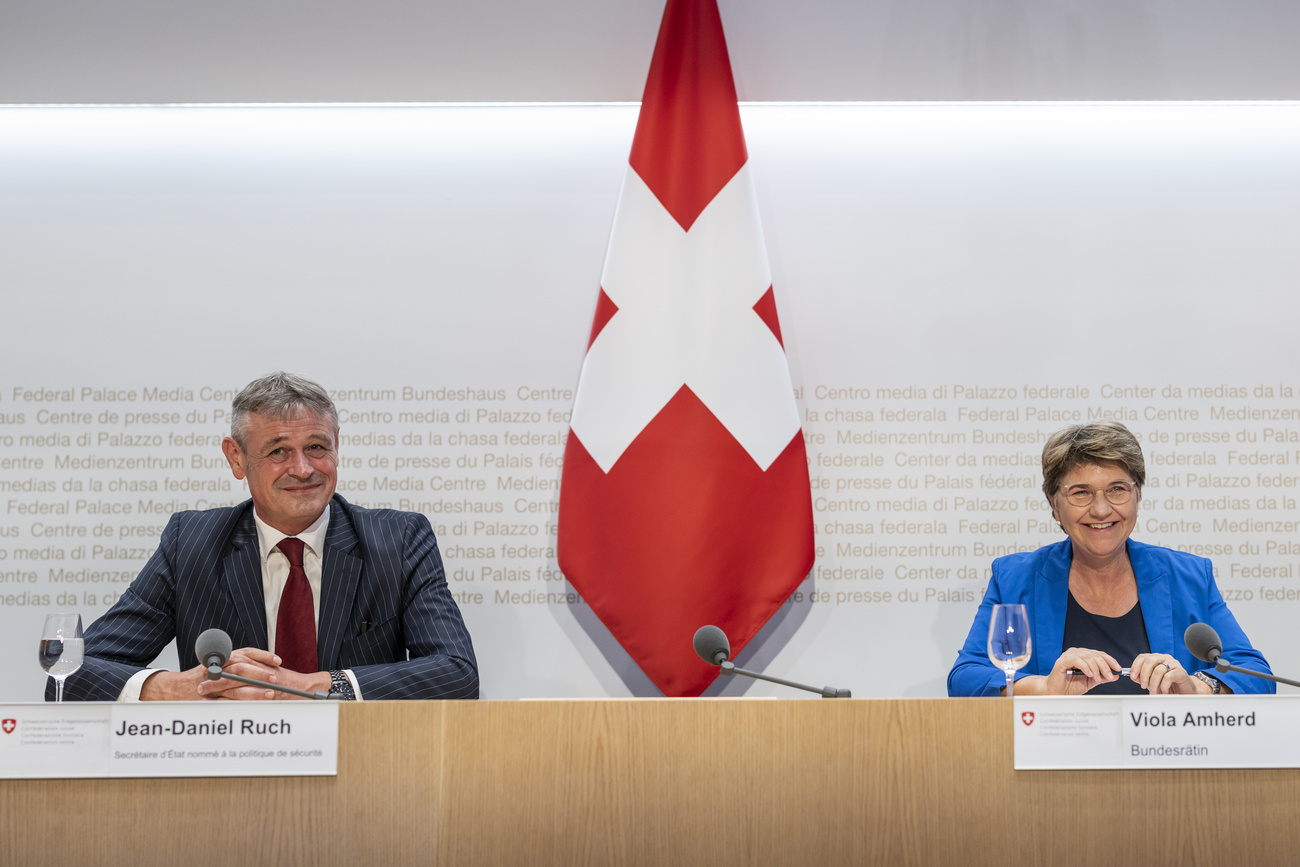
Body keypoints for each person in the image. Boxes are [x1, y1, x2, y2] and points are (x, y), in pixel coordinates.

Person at [50, 372, 478, 701]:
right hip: (227, 777)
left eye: (316, 447)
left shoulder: (398, 539)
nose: (304, 468)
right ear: (236, 458)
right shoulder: (193, 543)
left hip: (361, 768)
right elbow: (66, 675)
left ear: (336, 446)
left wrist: (320, 687)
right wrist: (174, 688)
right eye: (278, 451)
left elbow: (457, 673)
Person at [948, 421, 1272, 697]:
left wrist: (1197, 687)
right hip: (1055, 762)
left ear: (1137, 496)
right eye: (1081, 492)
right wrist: (1043, 688)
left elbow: (1254, 674)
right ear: (1054, 504)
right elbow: (965, 678)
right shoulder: (1014, 579)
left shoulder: (1188, 576)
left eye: (1117, 489)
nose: (1101, 509)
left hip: (1165, 762)